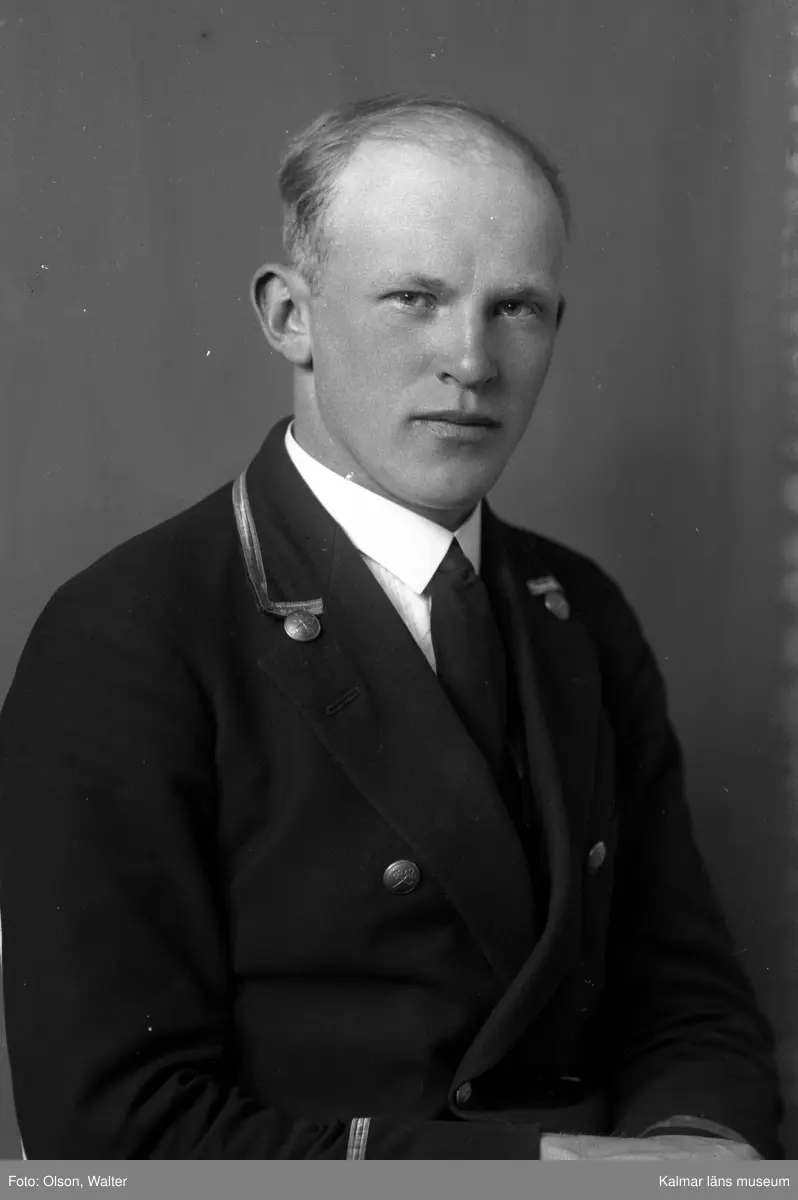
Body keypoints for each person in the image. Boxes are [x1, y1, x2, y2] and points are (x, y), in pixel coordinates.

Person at [0, 93, 782, 1161]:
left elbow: (688, 1002)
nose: (472, 361)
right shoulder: (128, 637)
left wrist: (696, 1149)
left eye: (517, 307)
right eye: (415, 298)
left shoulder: (578, 609)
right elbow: (110, 1132)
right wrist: (544, 1178)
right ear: (290, 316)